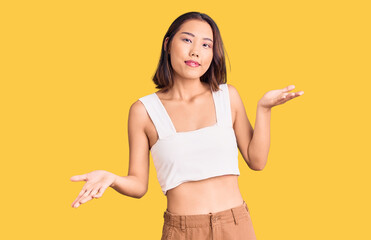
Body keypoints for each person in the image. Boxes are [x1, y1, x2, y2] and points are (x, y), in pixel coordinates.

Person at [70, 11, 304, 239]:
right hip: (183, 231)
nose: (195, 51)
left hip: (236, 226)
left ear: (213, 53)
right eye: (187, 40)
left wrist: (264, 110)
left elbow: (257, 161)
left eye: (206, 45)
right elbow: (139, 185)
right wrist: (112, 179)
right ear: (168, 44)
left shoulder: (227, 96)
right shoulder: (143, 111)